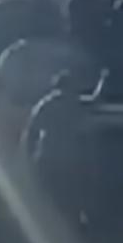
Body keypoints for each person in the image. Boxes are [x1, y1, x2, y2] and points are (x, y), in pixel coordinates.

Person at [20, 71, 91, 224]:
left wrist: (29, 155)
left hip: (49, 156)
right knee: (72, 196)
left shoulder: (46, 103)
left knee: (51, 197)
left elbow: (31, 131)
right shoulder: (78, 104)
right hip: (71, 158)